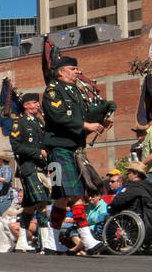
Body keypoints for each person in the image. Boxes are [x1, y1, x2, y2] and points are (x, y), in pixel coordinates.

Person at [42, 55, 109, 255]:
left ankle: (50, 242)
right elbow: (59, 118)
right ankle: (87, 238)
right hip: (57, 151)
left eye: (76, 68)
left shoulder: (76, 93)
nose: (76, 72)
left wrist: (95, 125)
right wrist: (85, 125)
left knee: (61, 198)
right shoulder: (53, 91)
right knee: (74, 194)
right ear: (61, 72)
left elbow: (79, 124)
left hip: (73, 150)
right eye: (72, 68)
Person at [10, 92, 51, 252]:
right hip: (28, 167)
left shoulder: (40, 123)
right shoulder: (18, 122)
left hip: (42, 168)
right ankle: (47, 243)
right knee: (42, 202)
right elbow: (16, 146)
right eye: (34, 103)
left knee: (28, 206)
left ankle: (21, 242)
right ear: (26, 105)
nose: (37, 105)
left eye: (37, 102)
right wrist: (38, 153)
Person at [105, 162, 152, 249]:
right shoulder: (150, 188)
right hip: (147, 218)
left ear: (135, 174)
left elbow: (118, 201)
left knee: (107, 213)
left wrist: (112, 203)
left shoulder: (133, 187)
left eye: (129, 173)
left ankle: (107, 243)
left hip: (132, 218)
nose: (127, 175)